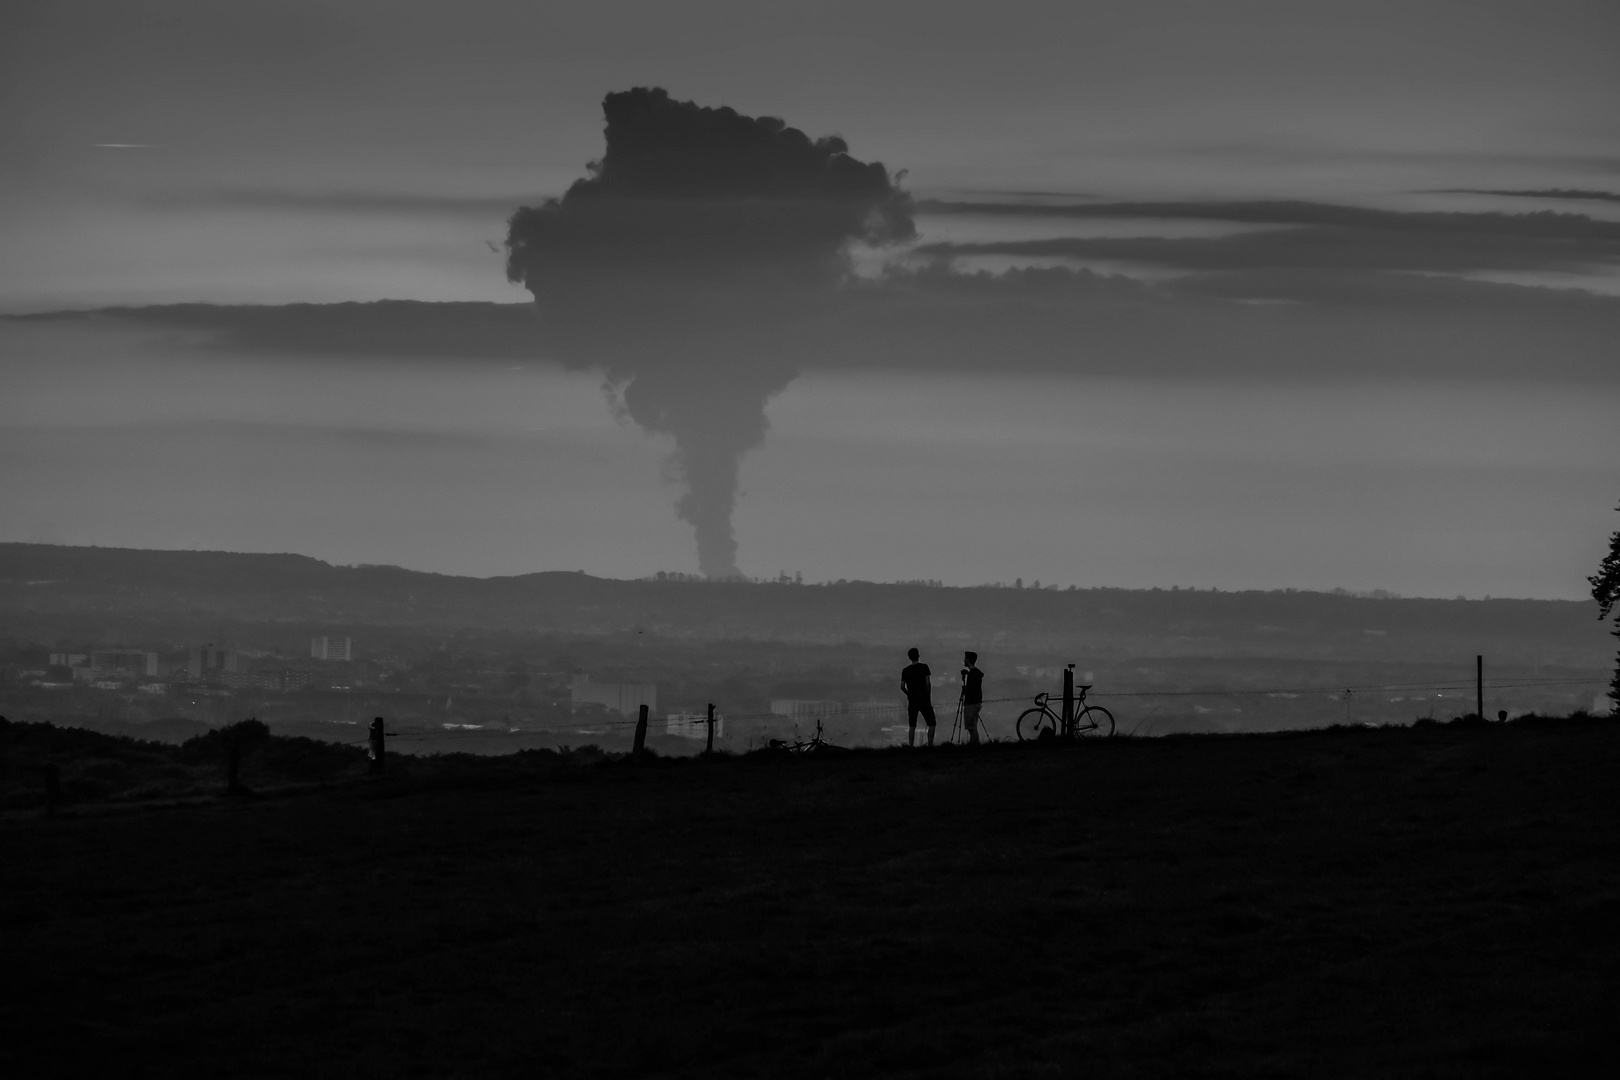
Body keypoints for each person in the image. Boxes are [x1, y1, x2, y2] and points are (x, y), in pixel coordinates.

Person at [901, 647, 935, 746]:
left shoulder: (905, 670)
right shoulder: (924, 667)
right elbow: (928, 683)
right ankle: (930, 745)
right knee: (931, 723)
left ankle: (911, 745)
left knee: (912, 725)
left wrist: (909, 694)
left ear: (909, 657)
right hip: (924, 698)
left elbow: (902, 686)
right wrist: (928, 695)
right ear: (918, 656)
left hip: (912, 699)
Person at [960, 651, 984, 745]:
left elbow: (971, 690)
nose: (964, 660)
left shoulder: (972, 675)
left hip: (971, 704)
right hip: (976, 703)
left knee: (971, 728)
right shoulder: (976, 673)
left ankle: (974, 745)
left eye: (965, 658)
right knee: (973, 728)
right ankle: (975, 745)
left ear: (968, 660)